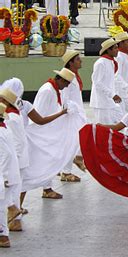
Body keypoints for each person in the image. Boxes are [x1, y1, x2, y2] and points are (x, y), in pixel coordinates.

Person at [1, 78, 68, 215]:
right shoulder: (24, 105)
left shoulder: (10, 115)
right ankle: (16, 209)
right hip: (22, 146)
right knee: (18, 182)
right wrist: (61, 113)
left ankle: (13, 210)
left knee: (11, 184)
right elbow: (40, 120)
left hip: (15, 147)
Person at [21, 68, 78, 201]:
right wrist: (61, 113)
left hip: (49, 131)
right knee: (40, 161)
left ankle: (47, 188)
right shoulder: (47, 91)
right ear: (60, 79)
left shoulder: (55, 90)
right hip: (41, 133)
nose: (67, 86)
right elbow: (38, 115)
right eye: (66, 83)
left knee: (49, 159)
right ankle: (40, 189)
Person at [60, 50, 88, 182]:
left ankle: (77, 157)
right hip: (71, 115)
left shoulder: (74, 75)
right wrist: (72, 111)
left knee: (78, 139)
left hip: (77, 113)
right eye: (77, 59)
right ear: (70, 63)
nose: (80, 61)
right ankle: (66, 172)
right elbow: (64, 98)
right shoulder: (66, 76)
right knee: (70, 142)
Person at [0, 89, 25, 233]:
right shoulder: (8, 123)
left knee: (2, 206)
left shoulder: (11, 120)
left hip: (7, 172)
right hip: (11, 169)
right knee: (5, 203)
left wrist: (3, 175)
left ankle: (4, 234)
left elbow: (7, 153)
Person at [90, 38, 123, 125]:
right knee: (103, 128)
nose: (117, 50)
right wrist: (112, 94)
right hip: (101, 102)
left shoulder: (111, 62)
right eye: (115, 48)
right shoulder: (101, 63)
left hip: (109, 101)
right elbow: (97, 83)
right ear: (108, 50)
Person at [115, 32, 128, 114]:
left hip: (126, 92)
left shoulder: (125, 55)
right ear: (121, 43)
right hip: (122, 92)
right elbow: (116, 75)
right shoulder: (119, 56)